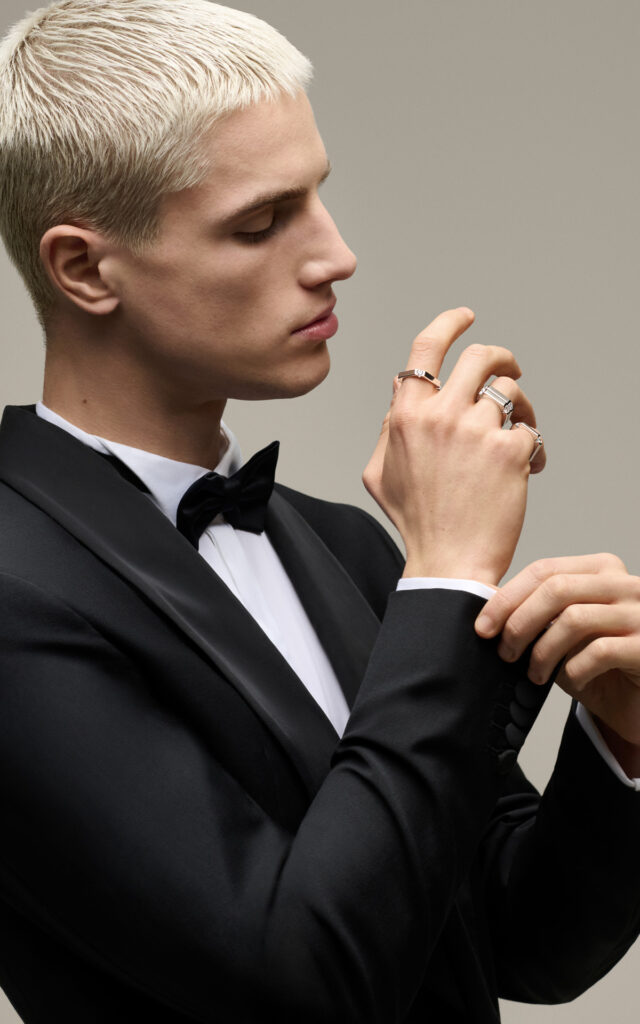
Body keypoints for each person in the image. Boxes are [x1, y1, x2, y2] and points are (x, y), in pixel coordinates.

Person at [0, 2, 638, 1022]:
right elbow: (304, 986)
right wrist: (446, 572)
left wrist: (620, 743)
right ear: (83, 268)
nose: (336, 254)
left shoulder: (338, 544)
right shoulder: (15, 587)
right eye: (261, 223)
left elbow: (510, 938)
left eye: (318, 196)